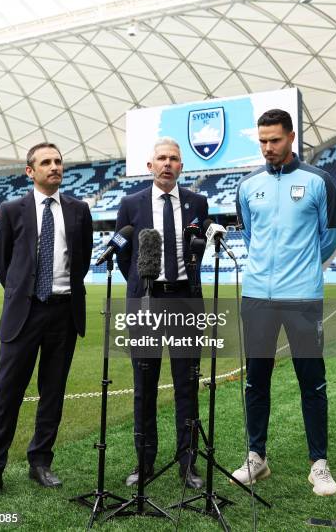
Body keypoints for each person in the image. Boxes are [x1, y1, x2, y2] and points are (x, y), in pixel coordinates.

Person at [0, 143, 93, 506]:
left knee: (53, 393)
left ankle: (41, 462)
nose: (54, 167)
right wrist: (26, 294)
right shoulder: (12, 210)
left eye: (58, 162)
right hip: (25, 313)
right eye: (46, 162)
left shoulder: (79, 211)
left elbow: (82, 260)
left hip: (64, 312)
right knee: (7, 395)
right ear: (30, 171)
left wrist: (56, 294)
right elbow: (3, 264)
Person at [233, 109, 336, 496]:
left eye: (274, 140)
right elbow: (249, 235)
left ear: (291, 137)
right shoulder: (247, 185)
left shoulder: (319, 181)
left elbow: (329, 236)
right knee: (255, 381)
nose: (268, 148)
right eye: (262, 141)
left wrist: (302, 268)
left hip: (303, 298)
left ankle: (319, 465)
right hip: (257, 297)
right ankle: (256, 458)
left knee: (312, 382)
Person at [115, 137, 209, 489]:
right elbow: (124, 253)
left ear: (182, 166)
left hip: (186, 301)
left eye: (174, 159)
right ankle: (144, 463)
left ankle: (188, 464)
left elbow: (199, 249)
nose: (168, 163)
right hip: (146, 301)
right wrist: (144, 286)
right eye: (161, 158)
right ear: (149, 165)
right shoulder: (131, 203)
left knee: (187, 385)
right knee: (145, 387)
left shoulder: (197, 202)